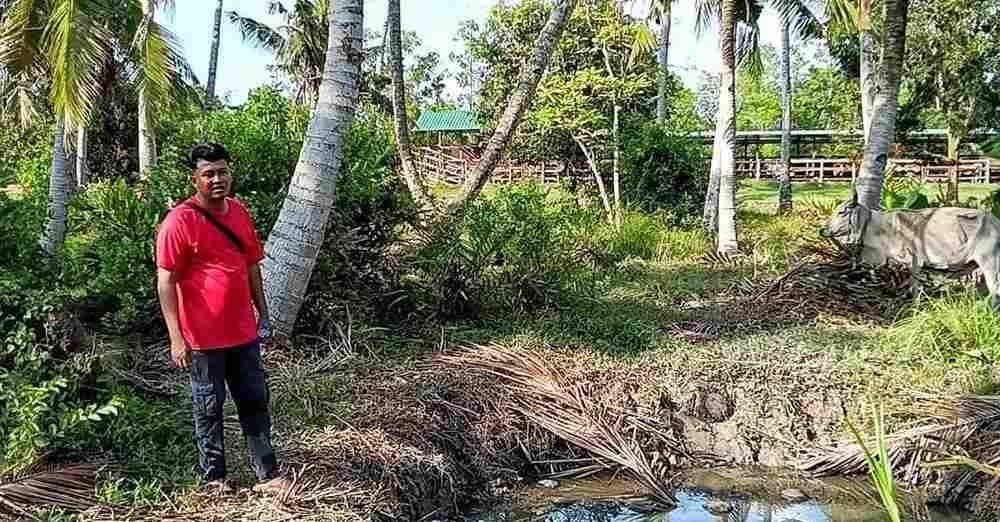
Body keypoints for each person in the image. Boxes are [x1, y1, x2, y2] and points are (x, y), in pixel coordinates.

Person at [155, 142, 289, 496]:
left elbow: (251, 266)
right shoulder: (179, 222)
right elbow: (166, 280)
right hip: (202, 339)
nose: (217, 179)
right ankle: (213, 478)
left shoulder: (240, 213)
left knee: (254, 402)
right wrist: (176, 337)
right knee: (209, 408)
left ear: (231, 172)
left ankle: (268, 473)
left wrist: (263, 311)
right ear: (194, 179)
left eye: (223, 171)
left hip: (243, 333)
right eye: (208, 173)